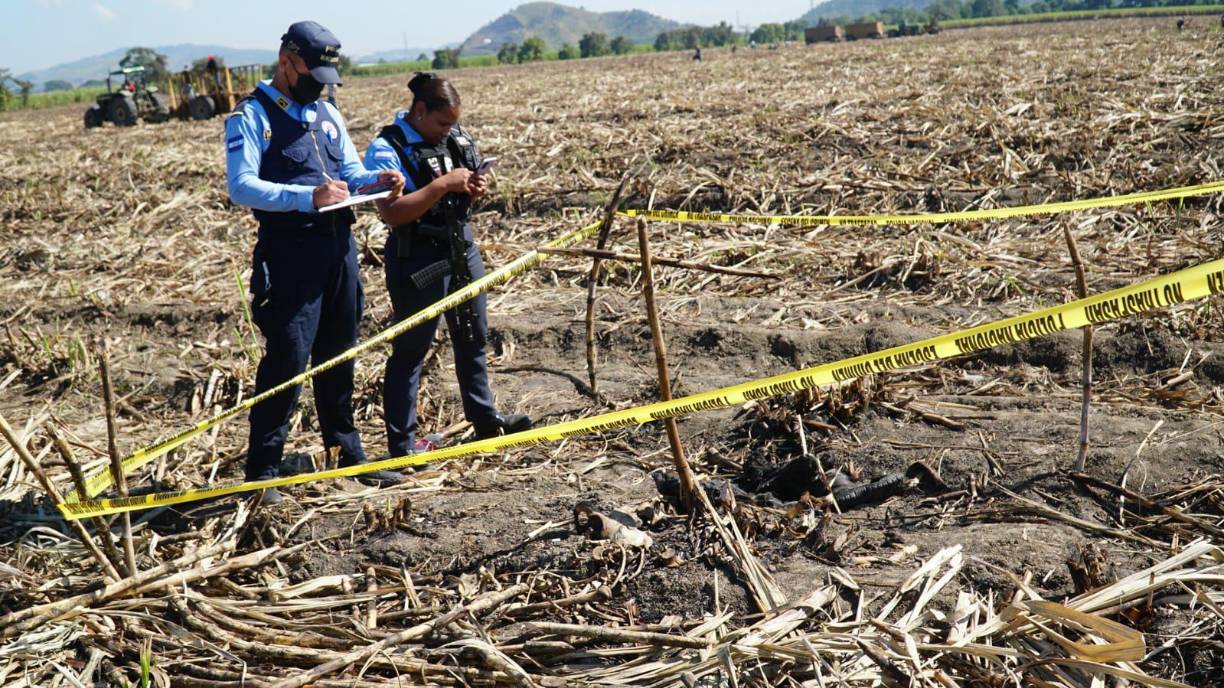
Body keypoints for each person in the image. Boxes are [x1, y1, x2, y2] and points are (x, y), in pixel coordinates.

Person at [225, 20, 407, 505]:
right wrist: (308, 196)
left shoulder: (327, 113)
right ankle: (262, 472)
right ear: (287, 61)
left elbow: (348, 172)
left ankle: (346, 454)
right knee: (287, 358)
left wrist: (378, 181)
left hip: (338, 250)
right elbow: (241, 185)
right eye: (313, 70)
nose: (321, 82)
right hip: (289, 255)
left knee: (339, 351)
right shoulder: (252, 115)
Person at [364, 73, 531, 462]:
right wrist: (441, 186)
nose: (448, 131)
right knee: (411, 350)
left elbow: (463, 186)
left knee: (473, 335)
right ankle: (401, 448)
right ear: (418, 111)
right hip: (417, 257)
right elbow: (391, 213)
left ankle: (485, 419)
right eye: (442, 123)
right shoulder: (387, 148)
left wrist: (473, 187)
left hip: (461, 247)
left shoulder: (451, 137)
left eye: (454, 123)